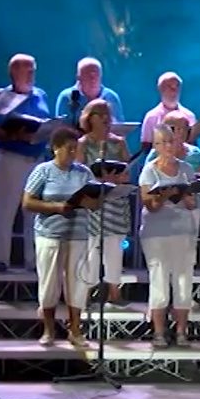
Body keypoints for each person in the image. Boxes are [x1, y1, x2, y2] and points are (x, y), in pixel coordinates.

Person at [21, 127, 99, 346]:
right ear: (55, 148)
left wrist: (91, 200)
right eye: (69, 148)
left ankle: (75, 330)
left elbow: (95, 203)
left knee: (77, 283)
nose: (73, 152)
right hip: (50, 234)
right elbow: (28, 202)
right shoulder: (43, 171)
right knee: (49, 283)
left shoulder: (83, 172)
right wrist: (57, 207)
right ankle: (48, 330)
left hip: (78, 234)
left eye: (76, 149)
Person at [0, 54, 52, 273]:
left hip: (36, 159)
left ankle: (33, 260)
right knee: (5, 209)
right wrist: (15, 134)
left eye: (33, 69)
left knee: (34, 211)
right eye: (27, 70)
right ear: (14, 72)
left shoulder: (41, 95)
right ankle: (0, 259)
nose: (32, 74)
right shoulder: (2, 97)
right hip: (11, 158)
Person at [139, 124, 199, 348]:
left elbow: (193, 203)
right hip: (156, 233)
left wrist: (184, 195)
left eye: (171, 141)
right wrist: (164, 196)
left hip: (183, 231)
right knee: (160, 281)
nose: (168, 146)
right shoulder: (149, 170)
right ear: (155, 146)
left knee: (183, 281)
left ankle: (182, 331)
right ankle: (159, 332)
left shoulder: (186, 169)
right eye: (162, 142)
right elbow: (149, 205)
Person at [75, 99, 132, 305]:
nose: (106, 118)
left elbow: (128, 171)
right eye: (100, 114)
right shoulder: (83, 143)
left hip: (115, 202)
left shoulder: (119, 142)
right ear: (89, 118)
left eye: (108, 113)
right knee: (91, 248)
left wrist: (116, 178)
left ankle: (114, 292)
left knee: (114, 247)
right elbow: (78, 173)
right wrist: (99, 179)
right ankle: (88, 291)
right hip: (93, 202)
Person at [54, 57, 125, 127]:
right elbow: (61, 131)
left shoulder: (111, 97)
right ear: (78, 77)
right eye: (88, 75)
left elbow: (119, 128)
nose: (93, 80)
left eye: (96, 75)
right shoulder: (67, 97)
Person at [140, 72, 197, 155]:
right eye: (169, 86)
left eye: (177, 86)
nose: (174, 90)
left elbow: (193, 144)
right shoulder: (151, 117)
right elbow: (146, 147)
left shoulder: (190, 116)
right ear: (160, 89)